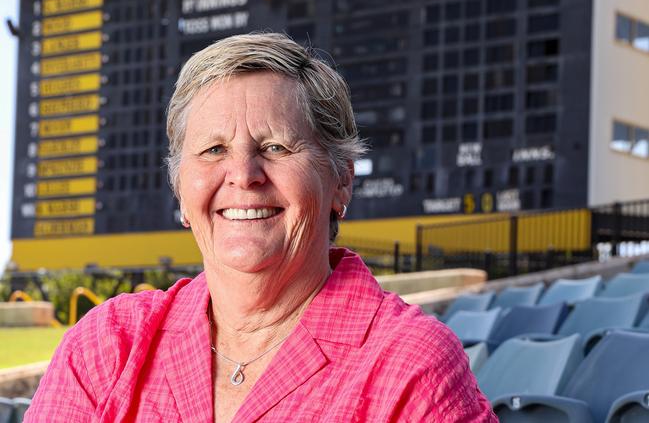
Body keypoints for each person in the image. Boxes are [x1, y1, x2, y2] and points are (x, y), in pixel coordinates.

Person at [25, 33, 496, 422]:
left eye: (275, 147)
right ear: (180, 190)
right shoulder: (106, 346)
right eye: (213, 150)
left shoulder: (411, 365)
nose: (243, 174)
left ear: (341, 179)